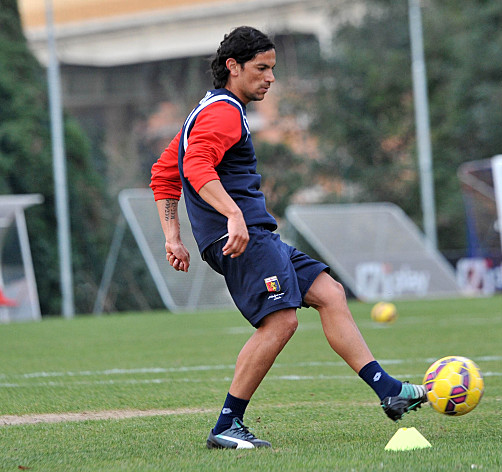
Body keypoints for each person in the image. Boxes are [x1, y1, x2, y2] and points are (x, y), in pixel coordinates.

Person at [149, 26, 427, 450]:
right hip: (242, 236)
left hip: (254, 233)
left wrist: (173, 236)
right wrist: (233, 215)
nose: (270, 77)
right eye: (261, 68)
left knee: (329, 293)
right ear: (233, 67)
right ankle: (227, 425)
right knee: (281, 321)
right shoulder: (222, 113)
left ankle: (388, 390)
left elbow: (164, 172)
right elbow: (196, 167)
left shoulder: (207, 110)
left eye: (272, 68)